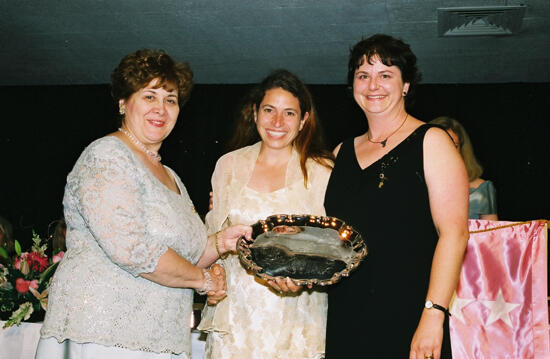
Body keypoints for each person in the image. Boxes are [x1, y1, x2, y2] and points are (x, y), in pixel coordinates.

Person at [35, 49, 251, 359]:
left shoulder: (172, 176)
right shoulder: (107, 155)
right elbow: (133, 248)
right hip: (104, 331)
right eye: (149, 96)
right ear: (123, 102)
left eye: (170, 99)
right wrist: (204, 281)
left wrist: (219, 242)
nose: (161, 109)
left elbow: (186, 253)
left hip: (161, 335)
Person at [323, 34, 469, 359]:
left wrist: (434, 313)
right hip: (347, 314)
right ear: (353, 87)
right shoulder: (340, 152)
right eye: (363, 75)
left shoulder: (432, 141)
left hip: (411, 314)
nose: (373, 84)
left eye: (385, 74)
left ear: (405, 85)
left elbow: (455, 234)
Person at [197, 69, 334, 359]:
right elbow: (211, 241)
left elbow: (332, 249)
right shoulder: (228, 166)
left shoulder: (323, 170)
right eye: (269, 110)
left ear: (303, 121)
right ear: (255, 113)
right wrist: (214, 277)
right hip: (236, 318)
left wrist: (304, 278)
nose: (277, 122)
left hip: (297, 318)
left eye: (289, 114)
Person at [429, 116, 498, 220]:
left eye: (454, 145)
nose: (447, 151)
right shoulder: (415, 185)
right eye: (442, 144)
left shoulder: (481, 189)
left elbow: (492, 234)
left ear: (461, 150)